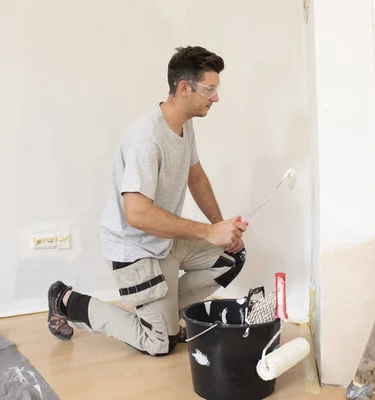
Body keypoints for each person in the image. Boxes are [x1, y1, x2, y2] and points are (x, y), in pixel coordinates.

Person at [46, 46, 248, 356]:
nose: (216, 97)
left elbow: (196, 176)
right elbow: (136, 214)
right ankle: (66, 300)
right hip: (136, 249)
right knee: (161, 344)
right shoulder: (146, 139)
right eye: (210, 89)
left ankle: (161, 314)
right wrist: (207, 233)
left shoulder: (183, 124)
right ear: (184, 88)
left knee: (232, 255)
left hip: (165, 241)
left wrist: (219, 226)